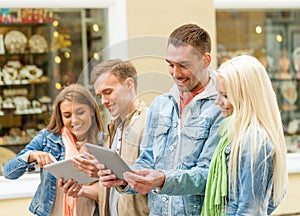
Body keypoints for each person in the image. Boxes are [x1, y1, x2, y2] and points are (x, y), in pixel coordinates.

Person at [98, 24, 223, 215]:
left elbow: (210, 175)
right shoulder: (160, 105)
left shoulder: (220, 107)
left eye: (183, 65)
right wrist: (125, 178)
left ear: (206, 60)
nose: (175, 73)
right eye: (170, 64)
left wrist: (163, 180)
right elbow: (147, 160)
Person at [201, 55, 288, 215]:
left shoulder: (252, 141)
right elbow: (274, 197)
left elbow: (250, 210)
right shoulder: (236, 132)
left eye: (225, 96)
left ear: (247, 97)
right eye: (218, 94)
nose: (217, 101)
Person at [3, 84, 103, 216]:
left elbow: (112, 192)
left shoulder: (104, 143)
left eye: (80, 112)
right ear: (60, 117)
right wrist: (31, 155)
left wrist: (83, 190)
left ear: (91, 110)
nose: (74, 120)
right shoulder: (47, 138)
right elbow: (9, 172)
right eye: (67, 115)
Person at [72, 59, 150, 216]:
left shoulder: (148, 123)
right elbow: (113, 189)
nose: (103, 101)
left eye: (108, 92)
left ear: (129, 85)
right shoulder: (113, 128)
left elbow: (153, 181)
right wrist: (92, 178)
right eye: (100, 95)